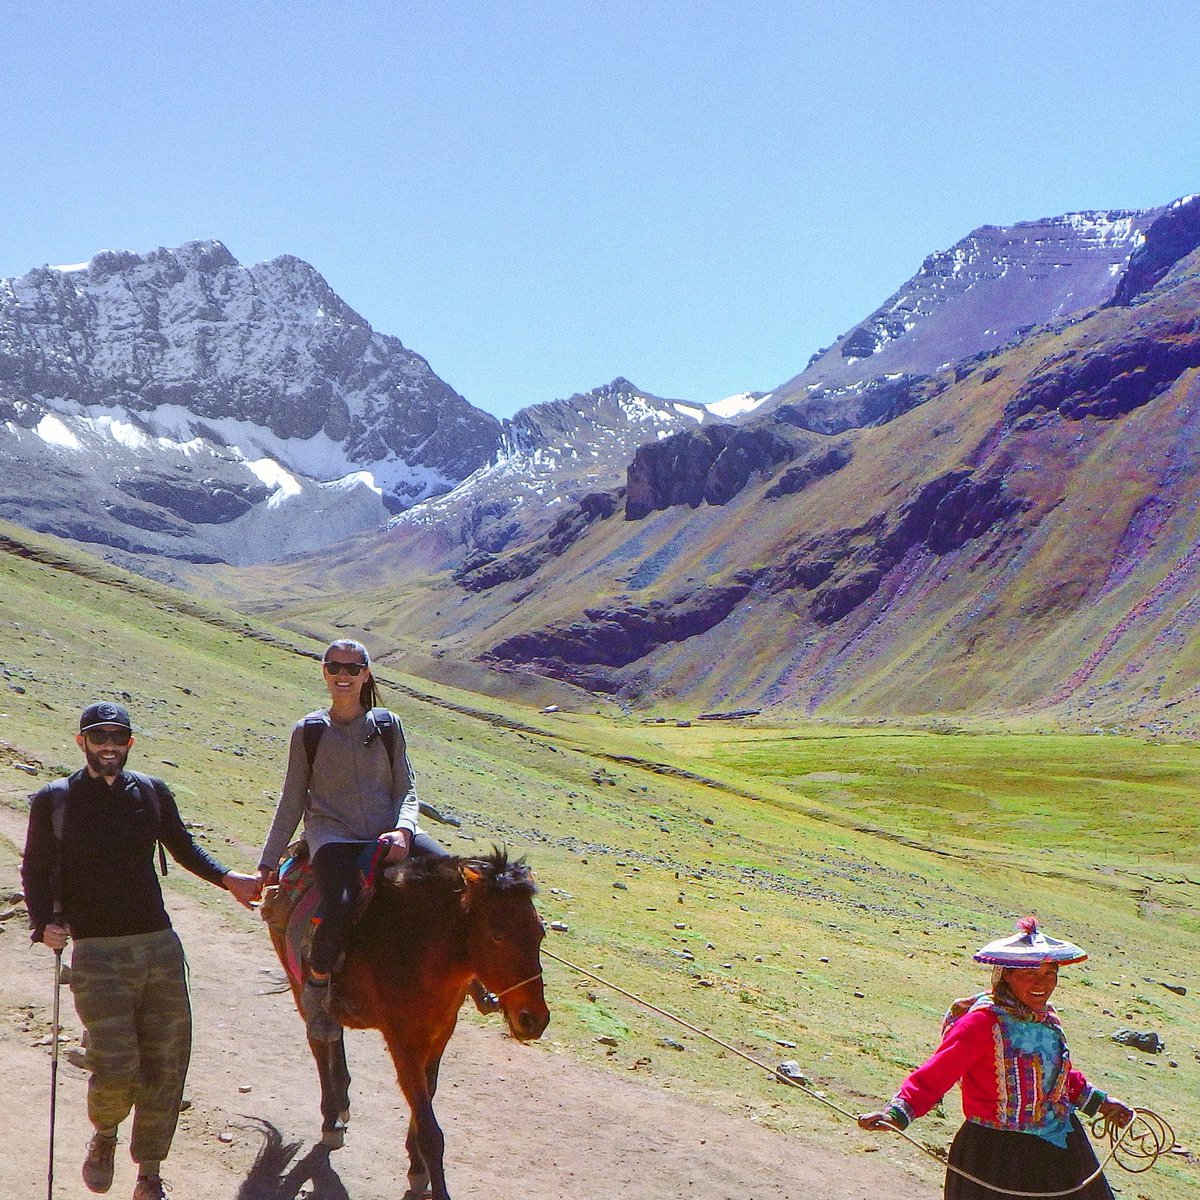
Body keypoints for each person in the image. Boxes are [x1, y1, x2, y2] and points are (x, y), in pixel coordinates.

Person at [21, 701, 261, 1200]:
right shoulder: (56, 801)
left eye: (118, 737)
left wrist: (227, 878)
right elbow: (35, 869)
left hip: (158, 945)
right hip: (97, 954)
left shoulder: (151, 793)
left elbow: (183, 846)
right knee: (115, 1063)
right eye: (98, 736)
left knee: (167, 1062)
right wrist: (43, 924)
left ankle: (149, 1171)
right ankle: (105, 1135)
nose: (108, 745)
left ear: (129, 743)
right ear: (81, 741)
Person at [256, 639, 454, 1041]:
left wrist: (402, 828)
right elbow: (293, 797)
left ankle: (474, 978)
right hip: (335, 838)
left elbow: (407, 787)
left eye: (352, 668)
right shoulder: (309, 731)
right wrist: (267, 862)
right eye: (334, 668)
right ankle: (318, 990)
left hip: (390, 829)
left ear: (366, 673)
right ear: (324, 673)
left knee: (456, 878)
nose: (343, 676)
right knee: (341, 905)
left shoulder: (387, 725)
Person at [857, 917, 1134, 1199]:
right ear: (1007, 975)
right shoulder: (982, 1023)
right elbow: (936, 1074)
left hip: (1060, 1149)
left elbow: (1056, 1077)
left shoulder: (1047, 1020)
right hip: (996, 1157)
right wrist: (896, 1114)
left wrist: (1102, 1103)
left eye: (1050, 974)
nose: (1043, 984)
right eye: (1030, 975)